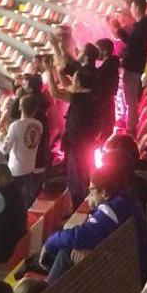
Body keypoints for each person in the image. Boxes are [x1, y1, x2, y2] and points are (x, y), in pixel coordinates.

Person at [40, 161, 147, 284]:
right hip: (131, 262)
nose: (89, 196)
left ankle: (49, 292)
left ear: (103, 192)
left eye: (92, 191)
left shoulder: (111, 211)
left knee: (66, 252)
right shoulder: (127, 200)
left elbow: (77, 236)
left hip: (130, 274)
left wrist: (50, 241)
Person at [46, 67, 100, 205]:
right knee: (80, 173)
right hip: (84, 143)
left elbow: (55, 92)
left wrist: (48, 71)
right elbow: (66, 86)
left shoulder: (80, 98)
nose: (72, 81)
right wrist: (57, 70)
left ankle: (80, 205)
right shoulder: (90, 95)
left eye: (75, 79)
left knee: (77, 176)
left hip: (77, 145)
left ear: (80, 83)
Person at [0, 95, 43, 208]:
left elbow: (5, 150)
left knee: (13, 201)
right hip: (30, 168)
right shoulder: (39, 125)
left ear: (20, 107)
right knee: (25, 201)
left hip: (16, 170)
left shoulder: (16, 126)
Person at [108, 0, 147, 134]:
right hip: (134, 64)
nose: (130, 11)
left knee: (130, 98)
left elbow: (132, 43)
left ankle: (131, 127)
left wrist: (117, 29)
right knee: (129, 97)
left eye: (132, 8)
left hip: (134, 66)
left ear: (137, 8)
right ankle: (130, 123)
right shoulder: (144, 24)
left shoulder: (143, 26)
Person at [94, 38, 120, 137]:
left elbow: (97, 75)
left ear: (104, 51)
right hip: (108, 100)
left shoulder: (108, 65)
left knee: (105, 126)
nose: (95, 52)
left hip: (105, 101)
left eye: (97, 49)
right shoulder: (111, 63)